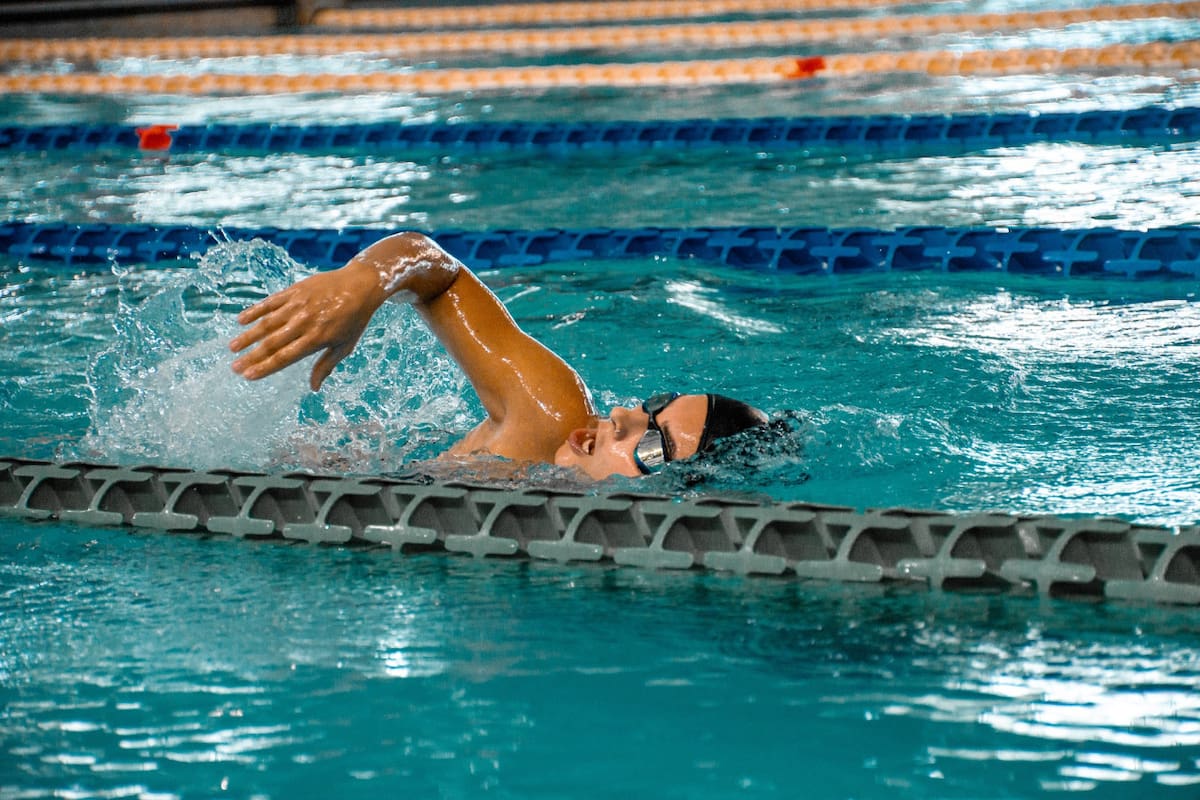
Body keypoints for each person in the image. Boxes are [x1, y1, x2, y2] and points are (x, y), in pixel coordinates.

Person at [229, 232, 768, 480]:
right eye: (654, 406)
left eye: (654, 445)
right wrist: (362, 283)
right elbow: (440, 273)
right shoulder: (551, 417)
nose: (623, 415)